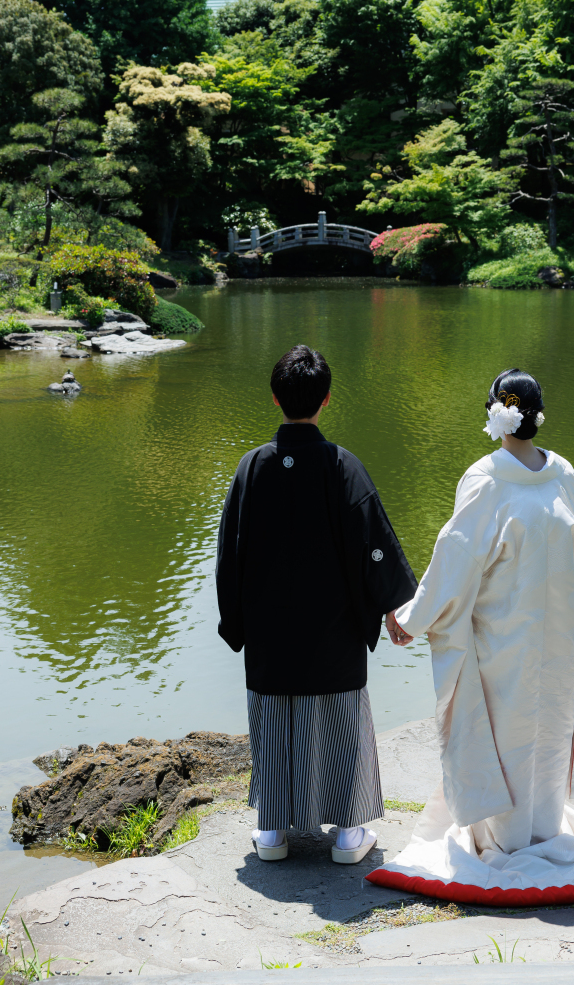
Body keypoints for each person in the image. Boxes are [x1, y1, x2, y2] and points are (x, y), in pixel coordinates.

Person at [371, 368, 574, 903]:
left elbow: (455, 561)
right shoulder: (563, 473)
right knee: (544, 730)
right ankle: (544, 829)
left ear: (494, 414)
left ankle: (506, 838)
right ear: (537, 417)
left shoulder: (485, 478)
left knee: (509, 732)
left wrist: (412, 617)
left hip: (505, 637)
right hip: (557, 632)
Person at [216, 344, 417, 864]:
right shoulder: (342, 466)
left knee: (275, 724)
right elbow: (375, 547)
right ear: (327, 399)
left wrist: (236, 622)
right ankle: (350, 834)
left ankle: (273, 835)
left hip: (270, 637)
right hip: (334, 635)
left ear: (274, 398)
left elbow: (228, 556)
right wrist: (396, 607)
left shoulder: (251, 468)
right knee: (340, 723)